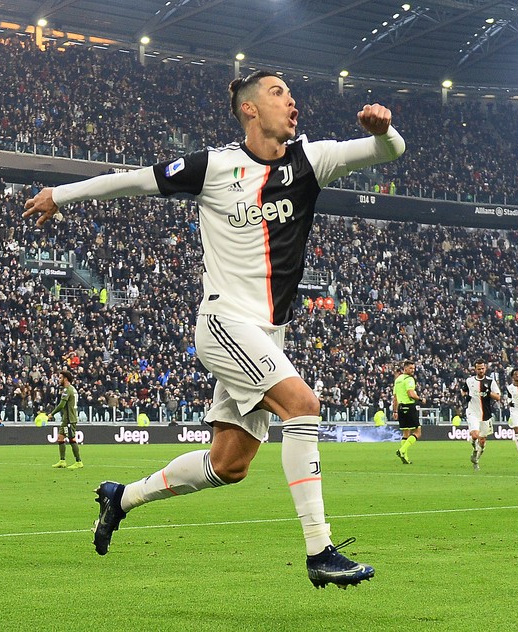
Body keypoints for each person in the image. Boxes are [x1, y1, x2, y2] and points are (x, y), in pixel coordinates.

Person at [23, 70, 405, 588]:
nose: (292, 103)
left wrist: (382, 129)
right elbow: (136, 180)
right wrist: (61, 195)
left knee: (229, 465)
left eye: (291, 95)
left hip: (267, 334)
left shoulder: (311, 160)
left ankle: (121, 496)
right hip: (225, 322)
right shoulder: (215, 166)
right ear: (250, 110)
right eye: (278, 94)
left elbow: (389, 152)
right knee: (304, 405)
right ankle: (320, 550)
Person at [461, 359, 500, 470]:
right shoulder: (469, 381)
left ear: (485, 368)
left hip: (486, 415)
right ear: (475, 369)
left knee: (482, 442)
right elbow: (463, 391)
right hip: (472, 411)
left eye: (483, 368)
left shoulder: (490, 381)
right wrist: (465, 396)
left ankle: (476, 459)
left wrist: (489, 393)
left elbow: (498, 396)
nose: (481, 370)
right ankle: (474, 444)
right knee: (475, 435)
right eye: (479, 369)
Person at [49, 370, 83, 470]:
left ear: (65, 379)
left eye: (60, 378)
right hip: (66, 419)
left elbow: (62, 405)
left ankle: (78, 461)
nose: (59, 380)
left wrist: (52, 414)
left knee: (72, 439)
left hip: (69, 419)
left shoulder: (67, 390)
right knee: (60, 438)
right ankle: (62, 461)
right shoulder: (72, 389)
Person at [392, 359, 423, 464]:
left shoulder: (398, 379)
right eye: (410, 368)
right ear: (405, 368)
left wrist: (395, 411)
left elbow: (395, 397)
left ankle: (405, 456)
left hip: (400, 408)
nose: (413, 370)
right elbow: (411, 394)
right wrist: (420, 399)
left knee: (405, 433)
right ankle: (402, 450)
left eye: (414, 368)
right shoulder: (409, 379)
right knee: (417, 432)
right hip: (409, 407)